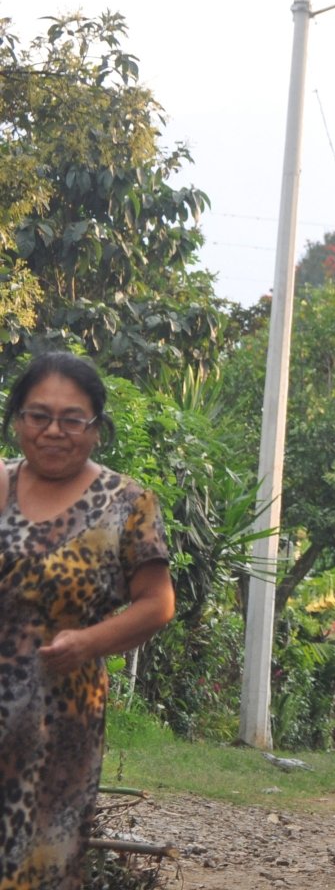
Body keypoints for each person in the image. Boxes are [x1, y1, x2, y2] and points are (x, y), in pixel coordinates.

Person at [0, 353, 175, 889]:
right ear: (17, 421)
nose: (54, 430)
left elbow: (157, 604)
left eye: (72, 419)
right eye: (38, 415)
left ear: (96, 429)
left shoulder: (129, 504)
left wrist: (88, 642)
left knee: (41, 867)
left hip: (58, 723)